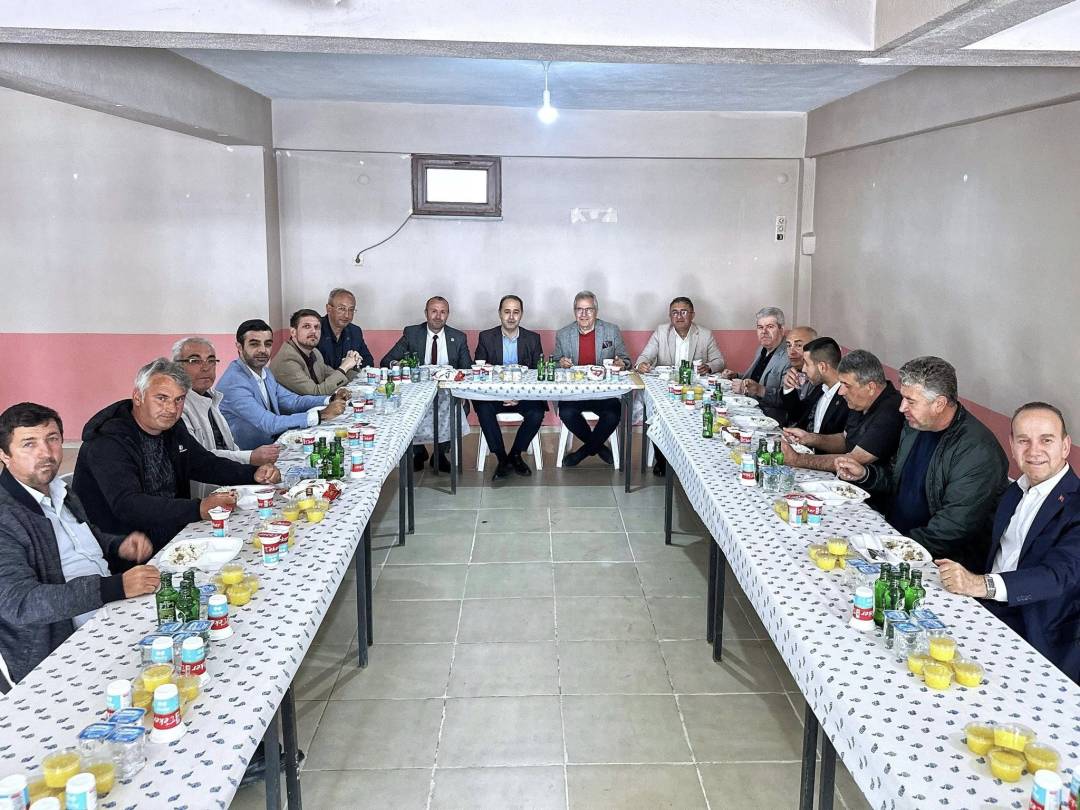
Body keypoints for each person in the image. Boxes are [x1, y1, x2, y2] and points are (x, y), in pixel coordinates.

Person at [0, 402, 160, 691]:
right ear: (4, 454)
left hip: (110, 615)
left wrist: (118, 545)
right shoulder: (6, 517)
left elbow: (81, 537)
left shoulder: (59, 489)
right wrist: (114, 587)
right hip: (62, 651)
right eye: (29, 444)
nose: (45, 453)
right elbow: (21, 603)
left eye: (52, 439)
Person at [935, 402, 1078, 683]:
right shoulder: (1015, 491)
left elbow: (1057, 576)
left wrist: (980, 585)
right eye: (1024, 440)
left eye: (1046, 440)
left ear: (1065, 446)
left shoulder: (1075, 505)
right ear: (1012, 445)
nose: (1034, 451)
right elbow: (987, 549)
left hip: (1037, 633)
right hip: (985, 611)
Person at [72, 359, 280, 552]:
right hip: (128, 548)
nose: (171, 409)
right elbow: (128, 505)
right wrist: (198, 508)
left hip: (173, 531)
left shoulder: (172, 428)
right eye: (161, 398)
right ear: (138, 396)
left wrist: (252, 474)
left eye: (179, 399)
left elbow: (203, 464)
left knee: (259, 535)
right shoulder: (108, 442)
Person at [836, 356, 1009, 569]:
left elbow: (952, 528)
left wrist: (889, 548)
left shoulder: (977, 451)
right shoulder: (916, 426)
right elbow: (897, 478)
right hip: (896, 537)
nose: (901, 408)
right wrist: (865, 474)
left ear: (939, 404)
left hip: (940, 563)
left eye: (910, 401)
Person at [173, 336, 281, 498]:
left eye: (211, 361)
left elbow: (229, 447)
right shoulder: (177, 407)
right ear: (177, 368)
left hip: (231, 486)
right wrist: (250, 458)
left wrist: (253, 468)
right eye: (195, 361)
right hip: (203, 498)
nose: (205, 368)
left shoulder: (211, 397)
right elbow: (201, 459)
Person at [217, 319, 347, 450]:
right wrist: (322, 414)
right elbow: (269, 423)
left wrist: (330, 399)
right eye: (254, 344)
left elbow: (293, 401)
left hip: (273, 445)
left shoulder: (265, 372)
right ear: (239, 347)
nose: (263, 350)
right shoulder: (233, 383)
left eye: (267, 344)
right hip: (248, 455)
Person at [381, 296, 473, 471]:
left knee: (462, 408)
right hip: (416, 392)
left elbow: (467, 369)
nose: (438, 316)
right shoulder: (412, 333)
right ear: (426, 313)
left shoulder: (458, 337)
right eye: (434, 311)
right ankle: (418, 451)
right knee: (406, 409)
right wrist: (398, 365)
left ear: (448, 314)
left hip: (447, 393)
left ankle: (439, 454)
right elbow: (387, 361)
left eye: (443, 312)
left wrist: (461, 392)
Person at [781, 349, 904, 475]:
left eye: (846, 385)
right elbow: (845, 440)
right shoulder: (861, 400)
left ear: (871, 387)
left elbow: (854, 459)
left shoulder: (891, 412)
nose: (841, 392)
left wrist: (797, 459)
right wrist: (810, 438)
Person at [554, 291, 631, 467]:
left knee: (613, 414)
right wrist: (561, 362)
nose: (584, 314)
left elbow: (626, 360)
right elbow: (555, 361)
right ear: (574, 311)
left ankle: (582, 453)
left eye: (588, 309)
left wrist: (621, 363)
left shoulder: (611, 330)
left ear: (596, 311)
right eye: (579, 309)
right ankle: (599, 448)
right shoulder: (563, 334)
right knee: (566, 412)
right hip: (574, 393)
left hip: (604, 393)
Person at [473, 295, 546, 480]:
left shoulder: (532, 339)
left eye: (516, 312)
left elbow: (537, 374)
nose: (511, 317)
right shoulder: (486, 337)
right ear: (500, 313)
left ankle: (515, 454)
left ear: (521, 314)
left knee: (537, 412)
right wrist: (499, 395)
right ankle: (501, 457)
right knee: (483, 408)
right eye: (507, 312)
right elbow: (480, 373)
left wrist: (520, 395)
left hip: (524, 396)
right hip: (494, 396)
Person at [270, 309, 362, 396]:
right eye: (307, 326)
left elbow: (335, 378)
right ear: (293, 332)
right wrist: (344, 367)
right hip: (297, 408)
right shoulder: (287, 360)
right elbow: (315, 393)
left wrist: (352, 364)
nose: (313, 331)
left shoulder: (314, 352)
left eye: (317, 327)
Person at [721, 307, 791, 421]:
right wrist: (736, 375)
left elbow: (787, 400)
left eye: (770, 327)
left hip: (769, 418)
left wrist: (759, 390)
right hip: (750, 408)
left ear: (782, 330)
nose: (764, 331)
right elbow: (756, 378)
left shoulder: (789, 356)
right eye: (760, 327)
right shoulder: (762, 349)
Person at [634, 297, 725, 374]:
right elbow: (646, 356)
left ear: (692, 315)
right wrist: (640, 365)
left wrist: (708, 367)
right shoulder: (661, 332)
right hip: (666, 381)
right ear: (670, 316)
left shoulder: (705, 334)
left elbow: (719, 361)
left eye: (683, 312)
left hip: (694, 383)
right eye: (675, 313)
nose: (679, 316)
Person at [780, 336, 849, 434]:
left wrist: (810, 439)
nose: (803, 369)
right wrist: (788, 388)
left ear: (822, 367)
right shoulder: (821, 388)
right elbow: (797, 414)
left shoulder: (847, 399)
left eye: (807, 364)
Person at [317, 288, 374, 370]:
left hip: (348, 377)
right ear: (329, 309)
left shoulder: (355, 331)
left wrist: (356, 363)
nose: (347, 315)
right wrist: (344, 367)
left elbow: (368, 362)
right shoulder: (315, 329)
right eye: (342, 309)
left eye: (351, 310)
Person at [776, 326, 818, 425]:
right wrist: (787, 388)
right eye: (788, 345)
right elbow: (794, 413)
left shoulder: (819, 378)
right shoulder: (792, 371)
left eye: (798, 345)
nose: (792, 352)